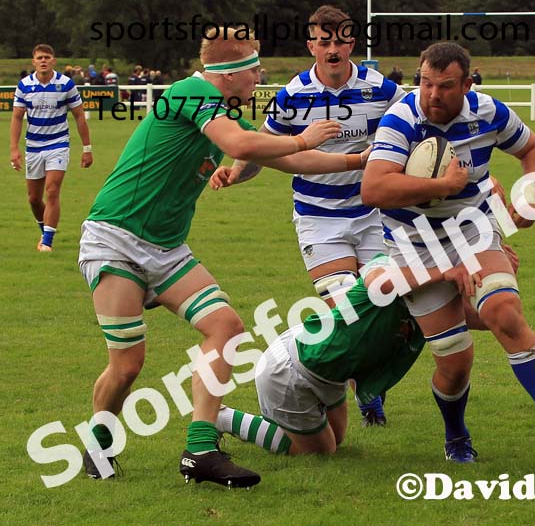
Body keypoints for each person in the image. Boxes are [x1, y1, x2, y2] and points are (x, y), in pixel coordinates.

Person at [77, 26, 359, 488]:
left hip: (166, 249)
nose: (258, 77)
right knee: (127, 364)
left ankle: (201, 450)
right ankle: (98, 438)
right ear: (229, 73)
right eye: (253, 68)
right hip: (116, 239)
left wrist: (360, 159)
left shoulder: (219, 115)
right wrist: (304, 138)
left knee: (225, 327)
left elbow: (284, 161)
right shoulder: (191, 92)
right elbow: (245, 147)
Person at [361, 41, 535, 467]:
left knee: (505, 312)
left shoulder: (489, 112)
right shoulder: (402, 118)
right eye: (425, 83)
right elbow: (373, 189)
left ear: (468, 83)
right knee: (457, 358)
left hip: (473, 232)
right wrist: (442, 187)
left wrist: (528, 190)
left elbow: (533, 149)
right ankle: (456, 434)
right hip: (414, 245)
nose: (432, 95)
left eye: (445, 86)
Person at [217, 5, 406, 426]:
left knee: (381, 303)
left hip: (375, 215)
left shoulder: (383, 90)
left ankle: (368, 385)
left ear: (352, 43)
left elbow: (416, 129)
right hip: (319, 218)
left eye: (340, 40)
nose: (332, 48)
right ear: (311, 45)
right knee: (346, 307)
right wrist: (233, 173)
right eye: (324, 41)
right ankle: (362, 389)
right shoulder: (292, 96)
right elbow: (264, 147)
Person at [217, 251, 514, 456]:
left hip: (329, 370)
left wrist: (497, 281)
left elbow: (483, 318)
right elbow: (378, 283)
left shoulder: (434, 300)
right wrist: (443, 273)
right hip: (295, 367)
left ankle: (288, 424)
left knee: (338, 439)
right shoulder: (386, 263)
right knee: (321, 452)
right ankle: (224, 418)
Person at [10, 44, 93, 252]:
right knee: (34, 199)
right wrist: (14, 149)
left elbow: (79, 116)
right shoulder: (24, 85)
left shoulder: (65, 84)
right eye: (40, 57)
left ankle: (47, 242)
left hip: (58, 144)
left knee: (53, 190)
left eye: (47, 57)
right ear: (34, 61)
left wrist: (87, 148)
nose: (43, 60)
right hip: (33, 147)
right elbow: (17, 117)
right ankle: (44, 229)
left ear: (53, 61)